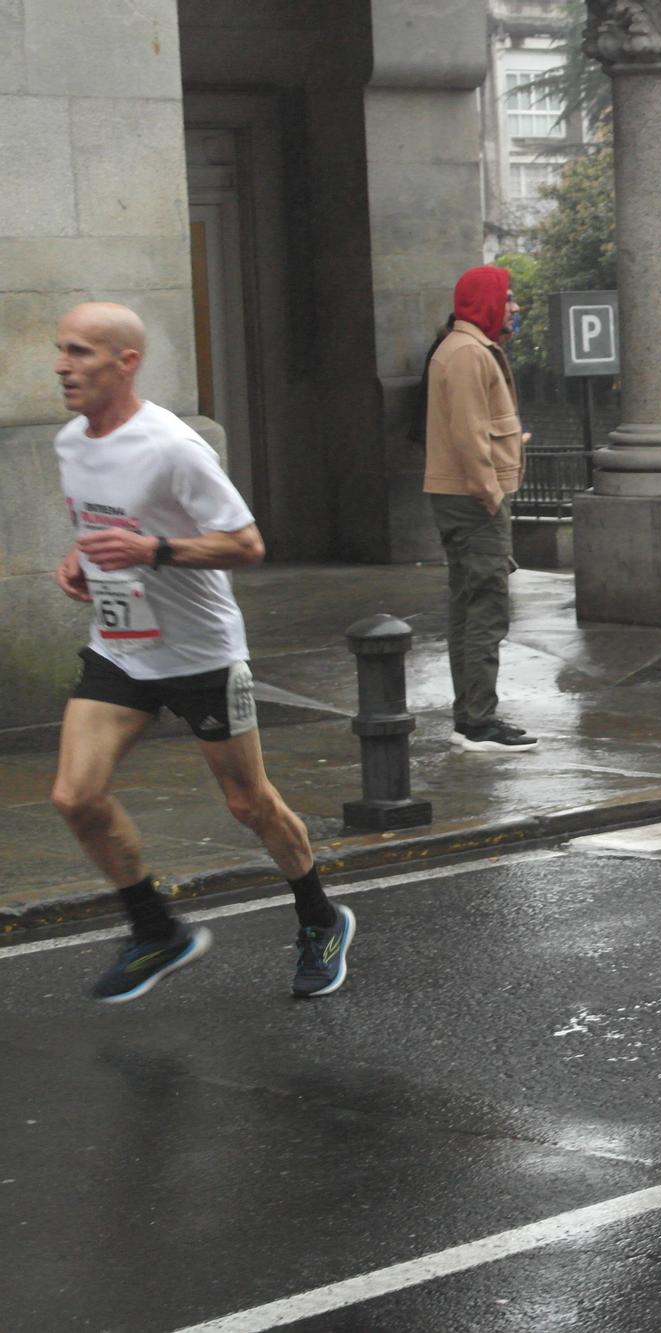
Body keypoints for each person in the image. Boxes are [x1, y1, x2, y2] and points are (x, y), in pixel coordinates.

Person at [49, 302, 354, 1002]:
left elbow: (246, 544)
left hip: (201, 653)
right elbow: (106, 523)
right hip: (120, 648)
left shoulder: (173, 445)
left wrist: (152, 550)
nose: (64, 366)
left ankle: (319, 915)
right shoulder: (72, 442)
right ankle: (156, 930)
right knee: (74, 794)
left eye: (82, 352)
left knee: (248, 803)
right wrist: (80, 558)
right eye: (61, 350)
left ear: (126, 362)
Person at [423, 265, 536, 753]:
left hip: (463, 496)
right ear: (485, 301)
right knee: (485, 607)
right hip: (473, 500)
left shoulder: (465, 347)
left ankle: (471, 714)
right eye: (507, 298)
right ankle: (478, 720)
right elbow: (470, 434)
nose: (514, 307)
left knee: (469, 605)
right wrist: (490, 492)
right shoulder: (469, 352)